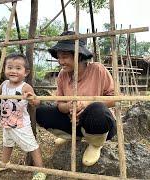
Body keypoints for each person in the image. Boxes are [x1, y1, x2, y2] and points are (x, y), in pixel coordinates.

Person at [35, 31, 117, 167]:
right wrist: (70, 106)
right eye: (59, 57)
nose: (61, 62)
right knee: (40, 112)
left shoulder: (98, 70)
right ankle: (76, 136)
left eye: (65, 57)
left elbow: (114, 99)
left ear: (79, 56)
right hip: (73, 121)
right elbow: (60, 104)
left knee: (98, 109)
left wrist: (86, 103)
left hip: (98, 124)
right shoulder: (62, 75)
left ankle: (95, 144)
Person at [0, 53, 46, 180]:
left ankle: (41, 170)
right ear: (5, 69)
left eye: (18, 68)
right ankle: (4, 163)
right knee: (7, 143)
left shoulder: (25, 86)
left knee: (31, 145)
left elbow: (36, 102)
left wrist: (31, 98)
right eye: (10, 67)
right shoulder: (5, 84)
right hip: (6, 121)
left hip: (20, 124)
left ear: (26, 72)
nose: (13, 71)